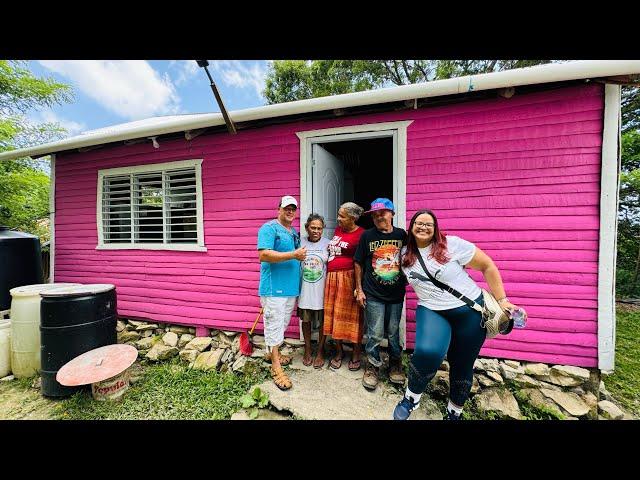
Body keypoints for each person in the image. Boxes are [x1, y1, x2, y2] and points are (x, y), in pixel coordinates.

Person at [393, 209, 526, 420]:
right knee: (428, 352)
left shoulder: (451, 245)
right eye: (419, 223)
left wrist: (503, 300)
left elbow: (487, 265)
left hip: (470, 311)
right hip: (432, 309)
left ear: (435, 228)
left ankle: (454, 412)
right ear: (411, 227)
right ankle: (411, 398)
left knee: (463, 363)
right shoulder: (403, 255)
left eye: (429, 224)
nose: (423, 227)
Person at [354, 198, 408, 391]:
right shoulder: (367, 236)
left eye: (382, 213)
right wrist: (359, 289)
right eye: (375, 214)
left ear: (392, 213)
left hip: (396, 293)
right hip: (373, 293)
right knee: (375, 333)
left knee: (393, 333)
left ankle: (395, 364)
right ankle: (373, 366)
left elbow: (411, 259)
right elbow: (358, 262)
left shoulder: (403, 235)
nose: (378, 217)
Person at [257, 195, 307, 390]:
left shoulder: (293, 232)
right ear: (279, 208)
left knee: (282, 323)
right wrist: (293, 254)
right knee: (274, 324)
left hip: (290, 288)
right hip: (274, 288)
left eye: (293, 208)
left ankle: (272, 353)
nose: (290, 211)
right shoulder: (269, 228)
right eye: (286, 207)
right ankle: (275, 366)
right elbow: (264, 254)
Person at [322, 202, 365, 371]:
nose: (338, 218)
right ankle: (339, 351)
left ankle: (356, 352)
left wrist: (359, 286)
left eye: (342, 216)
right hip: (332, 278)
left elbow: (361, 260)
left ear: (353, 218)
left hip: (348, 278)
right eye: (339, 214)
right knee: (334, 315)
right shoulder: (338, 230)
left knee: (353, 316)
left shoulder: (362, 234)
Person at [297, 213, 330, 367]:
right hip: (305, 289)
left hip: (322, 289)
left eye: (319, 228)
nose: (316, 231)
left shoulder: (328, 244)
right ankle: (308, 349)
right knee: (306, 320)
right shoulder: (300, 242)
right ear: (307, 228)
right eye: (313, 228)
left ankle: (320, 351)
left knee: (323, 321)